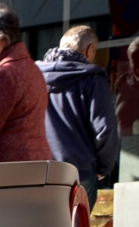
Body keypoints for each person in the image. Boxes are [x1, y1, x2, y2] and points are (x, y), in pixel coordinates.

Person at [38, 25, 119, 205]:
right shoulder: (92, 78)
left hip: (40, 171)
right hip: (79, 172)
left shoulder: (35, 75)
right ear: (91, 49)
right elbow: (105, 128)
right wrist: (104, 167)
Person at [0, 5, 53, 163]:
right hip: (34, 164)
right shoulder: (30, 68)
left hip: (6, 170)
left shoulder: (4, 74)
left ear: (5, 38)